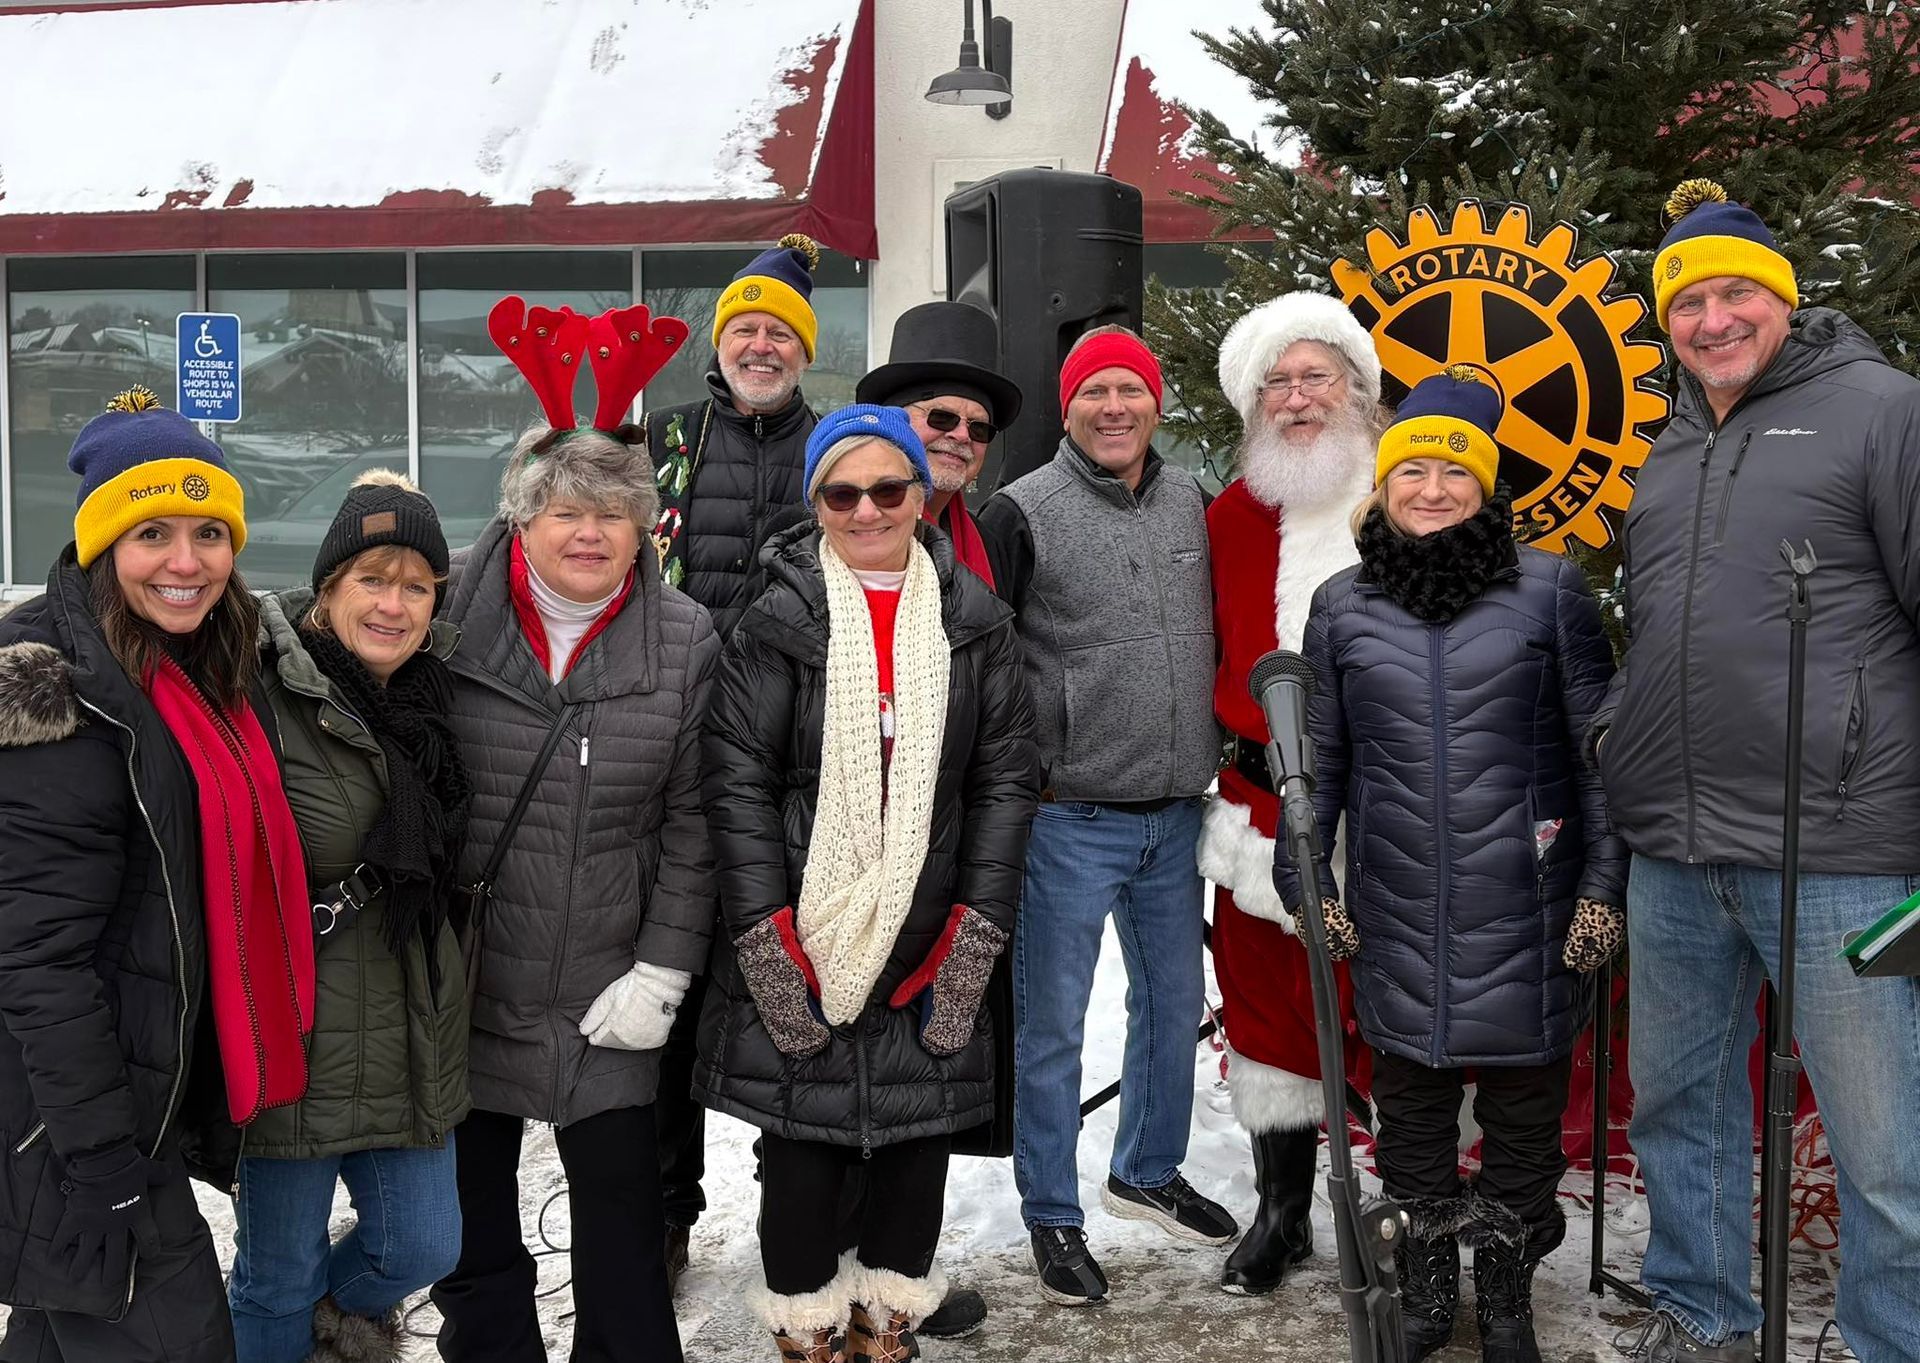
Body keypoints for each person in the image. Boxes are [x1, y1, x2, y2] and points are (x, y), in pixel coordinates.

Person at [1595, 180, 1920, 1363]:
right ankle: (1702, 1312)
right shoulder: (1669, 443)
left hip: (1838, 846)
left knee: (1885, 1141)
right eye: (1688, 302)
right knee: (1680, 1106)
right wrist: (1617, 736)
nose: (1711, 320)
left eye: (1737, 294)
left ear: (1782, 299)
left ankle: (1896, 1339)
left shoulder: (1885, 412)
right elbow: (1663, 628)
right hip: (1675, 849)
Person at [1283, 367, 1626, 1362]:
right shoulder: (1342, 606)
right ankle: (1430, 1288)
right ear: (1383, 486)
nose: (1432, 489)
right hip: (1399, 907)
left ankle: (1507, 1295)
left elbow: (1599, 752)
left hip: (1530, 903)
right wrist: (1308, 881)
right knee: (1414, 1122)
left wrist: (1605, 887)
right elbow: (1320, 762)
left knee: (1524, 1125)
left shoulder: (1551, 588)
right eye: (1412, 471)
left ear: (1486, 488)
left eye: (1454, 473)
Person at [693, 405, 1038, 1363]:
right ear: (817, 504)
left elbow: (1006, 781)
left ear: (920, 496)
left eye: (889, 488)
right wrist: (768, 943)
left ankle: (888, 1337)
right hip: (806, 938)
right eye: (842, 493)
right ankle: (808, 1340)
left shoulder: (976, 622)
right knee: (800, 1175)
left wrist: (971, 937)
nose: (867, 509)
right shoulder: (776, 622)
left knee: (913, 1173)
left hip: (931, 944)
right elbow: (736, 784)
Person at [430, 300, 719, 1363]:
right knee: (473, 1233)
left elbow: (695, 821)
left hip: (607, 980)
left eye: (612, 510)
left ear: (643, 523)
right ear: (521, 520)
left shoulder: (686, 638)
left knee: (623, 1236)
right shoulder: (445, 615)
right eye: (564, 510)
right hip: (472, 980)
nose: (588, 532)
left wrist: (663, 970)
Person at [0, 387, 313, 1363]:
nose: (188, 562)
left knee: (57, 1338)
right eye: (153, 535)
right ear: (102, 546)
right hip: (69, 1130)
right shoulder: (61, 695)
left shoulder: (194, 674)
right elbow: (39, 959)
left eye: (210, 530)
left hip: (126, 1105)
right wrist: (100, 1161)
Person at [976, 326, 1230, 1306]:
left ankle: (1148, 1165)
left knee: (1171, 1004)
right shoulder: (1021, 511)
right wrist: (1022, 773)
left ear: (1155, 404)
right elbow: (987, 659)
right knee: (1052, 1030)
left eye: (1132, 390)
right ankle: (1052, 1212)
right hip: (1070, 817)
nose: (1115, 407)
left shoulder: (1190, 501)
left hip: (1176, 812)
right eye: (1096, 392)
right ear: (1069, 405)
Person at [227, 471, 471, 1363]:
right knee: (276, 1271)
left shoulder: (437, 695)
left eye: (416, 585)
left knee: (422, 1245)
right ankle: (270, 1331)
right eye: (373, 578)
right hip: (297, 1029)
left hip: (411, 1020)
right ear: (328, 586)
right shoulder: (258, 684)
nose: (394, 604)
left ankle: (295, 1328)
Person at [642, 235, 821, 1285]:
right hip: (672, 756)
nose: (761, 344)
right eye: (745, 327)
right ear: (723, 342)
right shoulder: (663, 439)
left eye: (779, 332)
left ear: (802, 348)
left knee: (785, 987)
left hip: (793, 761)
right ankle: (668, 1207)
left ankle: (793, 1206)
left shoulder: (837, 448)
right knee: (667, 988)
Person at [1199, 292, 1382, 1295]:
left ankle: (1403, 1204)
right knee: (1270, 1010)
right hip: (1256, 806)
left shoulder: (1404, 495)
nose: (1299, 396)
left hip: (1389, 805)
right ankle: (1283, 1208)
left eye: (1318, 376)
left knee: (1392, 1004)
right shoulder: (1228, 516)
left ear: (1354, 390)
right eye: (1281, 379)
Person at [856, 299, 1022, 587]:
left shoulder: (991, 545)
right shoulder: (835, 524)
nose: (961, 435)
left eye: (979, 428)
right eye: (942, 418)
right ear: (896, 422)